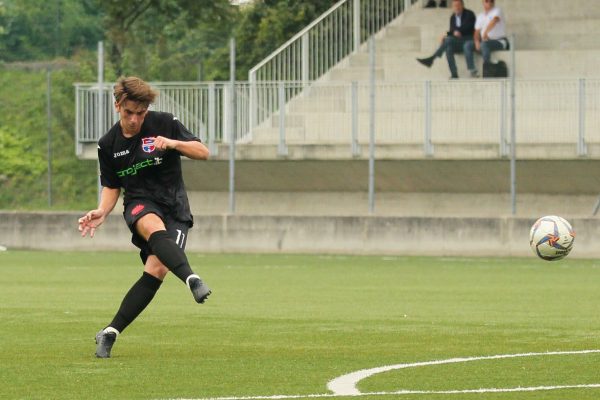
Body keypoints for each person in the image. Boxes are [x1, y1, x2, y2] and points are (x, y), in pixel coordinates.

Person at [78, 76, 212, 358]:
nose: (135, 119)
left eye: (141, 113)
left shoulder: (164, 122)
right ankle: (193, 279)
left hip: (175, 207)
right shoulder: (108, 144)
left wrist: (173, 143)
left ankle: (110, 332)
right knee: (151, 225)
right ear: (118, 107)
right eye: (129, 113)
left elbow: (203, 152)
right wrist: (102, 210)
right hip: (139, 203)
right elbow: (112, 185)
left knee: (157, 270)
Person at [417, 0, 476, 79]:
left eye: (458, 5)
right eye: (454, 6)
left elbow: (469, 27)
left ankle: (432, 58)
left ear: (462, 5)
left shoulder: (469, 14)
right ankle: (454, 74)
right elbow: (452, 31)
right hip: (457, 42)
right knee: (448, 48)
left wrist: (458, 32)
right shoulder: (452, 17)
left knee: (448, 40)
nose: (456, 8)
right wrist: (445, 35)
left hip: (468, 40)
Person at [464, 0, 509, 77]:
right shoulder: (480, 16)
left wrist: (486, 32)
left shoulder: (497, 10)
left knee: (484, 44)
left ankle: (487, 70)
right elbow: (476, 31)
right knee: (467, 45)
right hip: (485, 42)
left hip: (499, 41)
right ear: (483, 2)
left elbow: (494, 21)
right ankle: (472, 70)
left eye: (492, 1)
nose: (490, 3)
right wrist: (476, 41)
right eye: (487, 1)